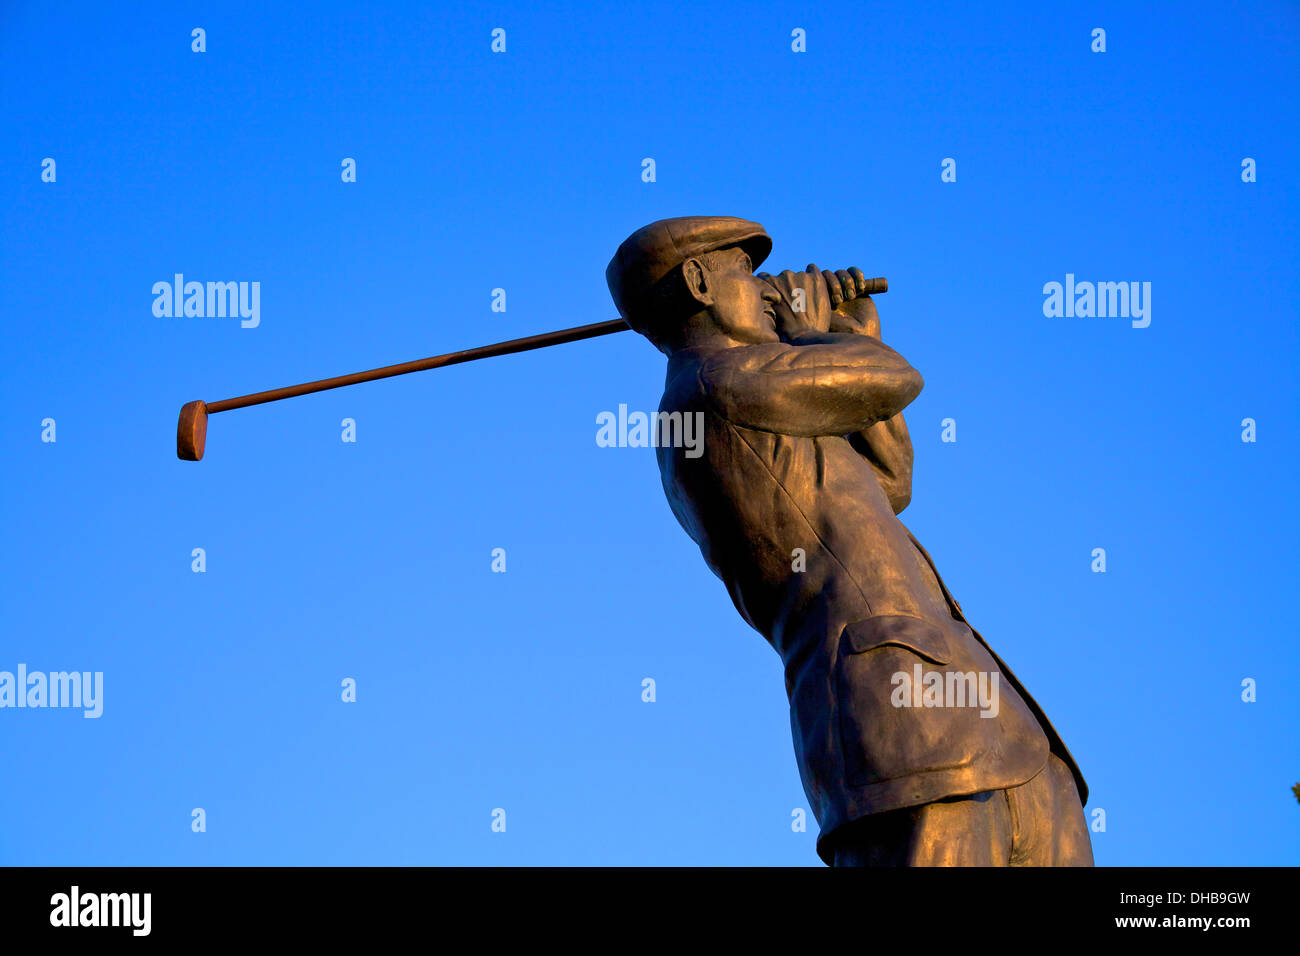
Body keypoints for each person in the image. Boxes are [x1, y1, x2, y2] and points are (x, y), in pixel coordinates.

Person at [606, 216, 1094, 866]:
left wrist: (843, 335)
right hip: (905, 731)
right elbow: (893, 377)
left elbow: (891, 482)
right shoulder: (707, 390)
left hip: (986, 725)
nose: (769, 290)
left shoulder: (762, 392)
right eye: (748, 276)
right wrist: (811, 331)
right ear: (698, 281)